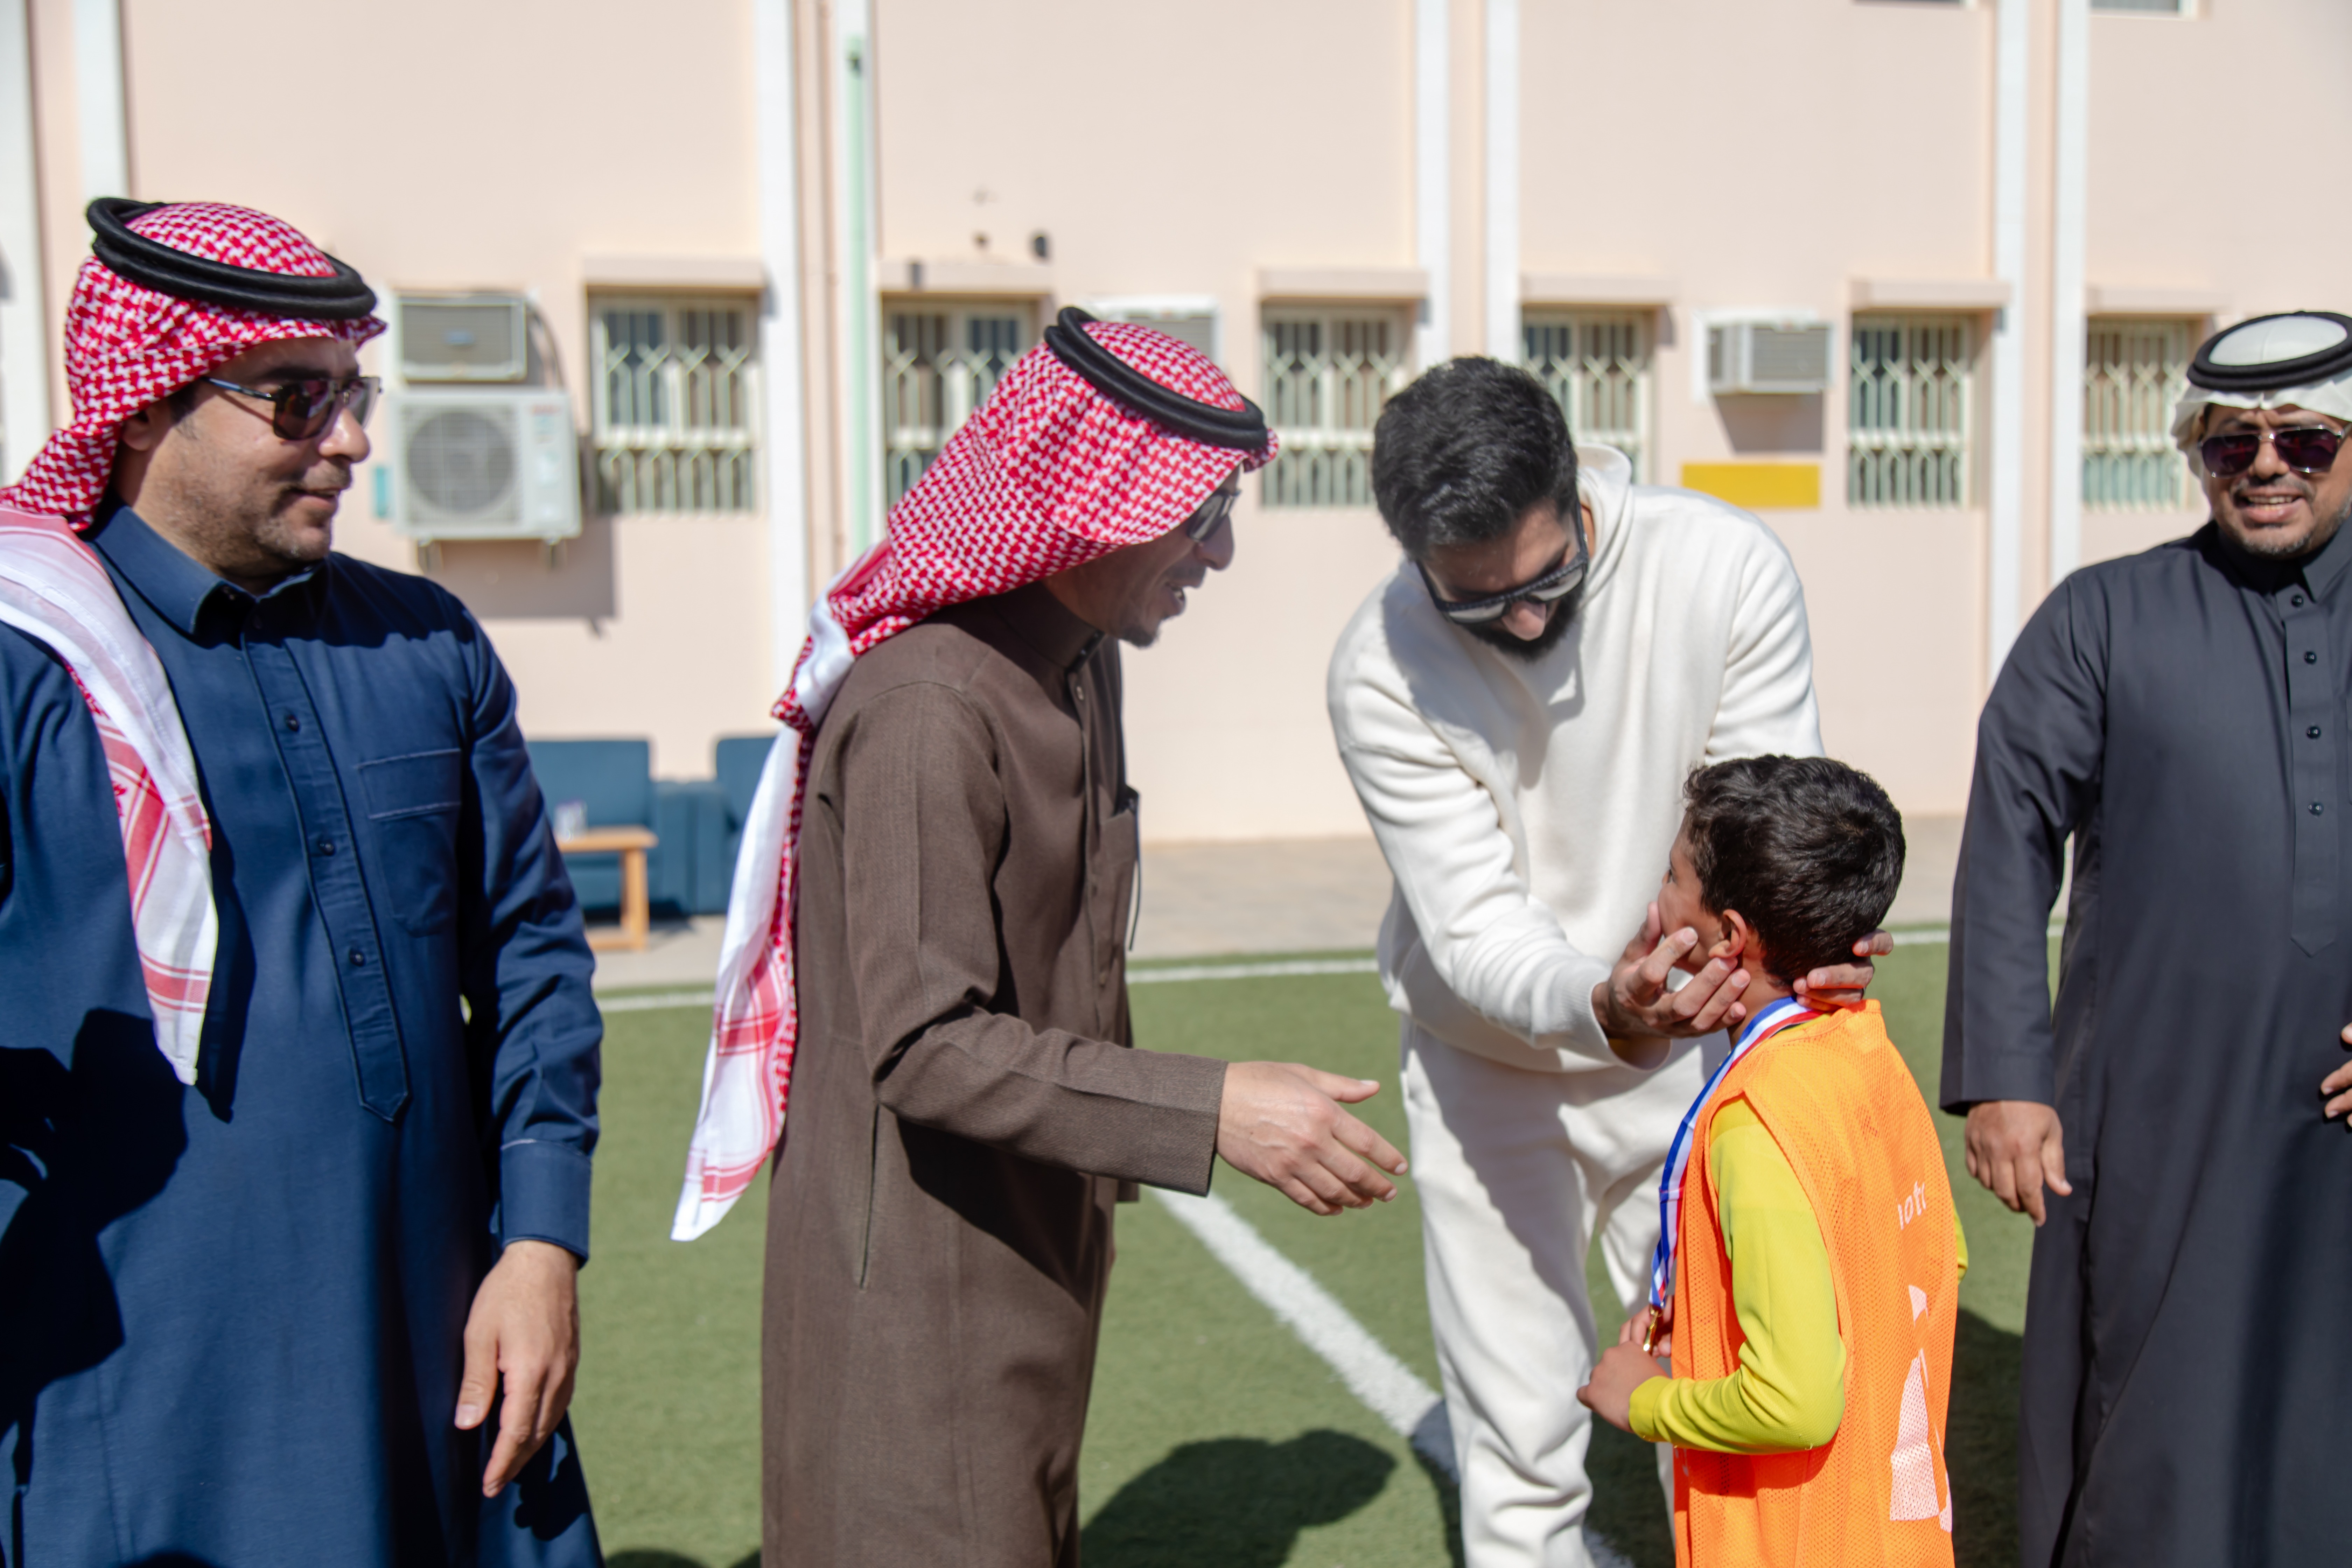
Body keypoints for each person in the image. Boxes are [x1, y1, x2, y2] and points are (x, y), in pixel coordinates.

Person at [672, 308, 1409, 1567]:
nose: (1220, 553)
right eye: (1198, 514)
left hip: (1031, 1228)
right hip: (912, 1272)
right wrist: (1215, 1109)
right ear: (1092, 507)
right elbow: (927, 1049)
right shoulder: (930, 708)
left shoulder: (1075, 662)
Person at [0, 201, 601, 1564]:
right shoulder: (31, 663)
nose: (350, 440)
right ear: (152, 402)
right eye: (295, 399)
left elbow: (532, 961)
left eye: (354, 395)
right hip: (155, 1391)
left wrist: (545, 1243)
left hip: (448, 1341)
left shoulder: (426, 641)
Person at [1326, 357, 1888, 1567]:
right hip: (1490, 1074)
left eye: (1547, 580)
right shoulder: (1378, 666)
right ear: (1416, 558)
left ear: (1578, 484)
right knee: (1520, 1430)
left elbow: (1761, 810)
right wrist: (1604, 1001)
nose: (1524, 622)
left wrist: (1797, 942)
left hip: (1700, 1061)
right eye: (1479, 606)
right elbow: (1472, 928)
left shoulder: (1720, 566)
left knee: (1734, 1396)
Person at [1945, 309, 2352, 1566]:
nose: (2267, 466)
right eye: (2231, 446)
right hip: (2160, 1110)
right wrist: (2008, 1078)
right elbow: (2009, 833)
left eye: (2306, 440)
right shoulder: (2103, 619)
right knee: (2158, 1404)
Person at [1580, 755, 1962, 1566]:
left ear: (1731, 936)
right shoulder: (1870, 1052)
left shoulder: (1756, 1119)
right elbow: (1931, 1258)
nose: (1657, 895)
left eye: (1672, 874)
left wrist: (1646, 1400)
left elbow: (1794, 1401)